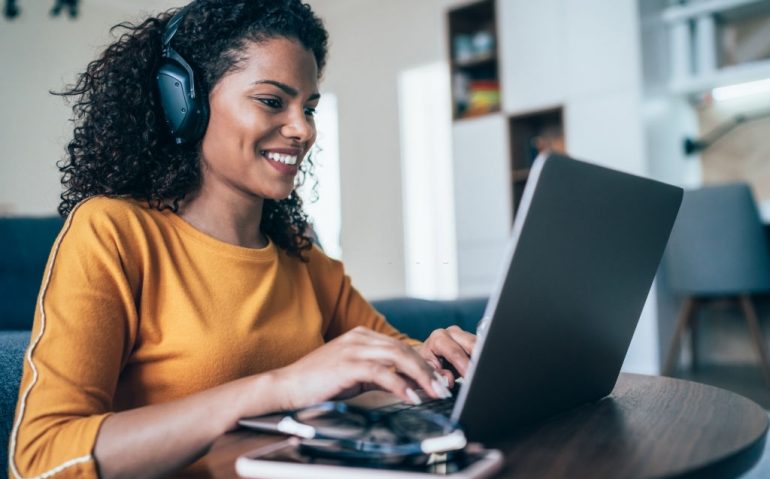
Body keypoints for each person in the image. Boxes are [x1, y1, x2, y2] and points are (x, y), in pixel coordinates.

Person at [9, 1, 476, 478]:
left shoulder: (301, 256)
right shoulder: (112, 233)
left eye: (309, 108)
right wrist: (280, 387)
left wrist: (436, 356)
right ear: (184, 101)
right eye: (273, 101)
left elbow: (391, 360)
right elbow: (42, 458)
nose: (303, 130)